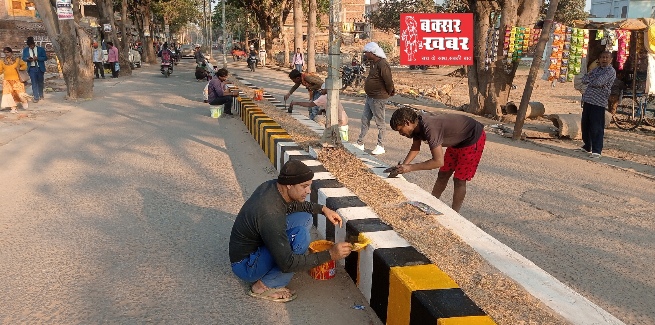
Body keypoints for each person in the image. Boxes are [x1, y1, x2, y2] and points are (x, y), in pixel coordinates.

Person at [229, 160, 353, 302]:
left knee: (305, 217)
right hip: (246, 265)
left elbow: (294, 205)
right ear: (289, 185)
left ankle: (283, 257)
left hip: (257, 243)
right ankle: (264, 286)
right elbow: (287, 264)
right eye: (304, 186)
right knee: (301, 237)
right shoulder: (270, 214)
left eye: (309, 186)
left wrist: (323, 209)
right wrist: (331, 254)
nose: (308, 191)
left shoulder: (272, 187)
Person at [389, 107, 486, 213]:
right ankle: (431, 203)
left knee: (459, 180)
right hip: (456, 142)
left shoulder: (430, 128)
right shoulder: (416, 126)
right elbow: (415, 148)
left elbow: (438, 162)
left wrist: (410, 168)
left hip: (472, 139)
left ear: (407, 122)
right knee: (443, 175)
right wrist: (403, 166)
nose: (400, 134)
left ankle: (455, 213)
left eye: (400, 130)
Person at [353, 42, 395, 156]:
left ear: (372, 53)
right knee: (365, 119)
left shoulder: (382, 64)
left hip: (378, 98)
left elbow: (388, 81)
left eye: (366, 52)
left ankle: (381, 146)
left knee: (380, 123)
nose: (365, 54)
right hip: (370, 96)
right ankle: (360, 143)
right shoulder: (373, 63)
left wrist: (390, 91)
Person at [578, 51, 616, 159]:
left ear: (611, 59)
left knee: (596, 127)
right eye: (602, 57)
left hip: (599, 102)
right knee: (585, 125)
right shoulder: (596, 69)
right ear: (599, 59)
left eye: (606, 57)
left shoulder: (610, 71)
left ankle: (597, 150)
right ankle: (587, 146)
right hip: (588, 100)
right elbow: (584, 78)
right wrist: (592, 80)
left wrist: (591, 80)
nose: (604, 59)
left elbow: (599, 82)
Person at [1, 47, 30, 113]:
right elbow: (0, 70)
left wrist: (19, 68)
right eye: (5, 53)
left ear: (11, 52)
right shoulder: (2, 61)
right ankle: (13, 108)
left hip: (17, 79)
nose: (6, 54)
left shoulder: (17, 60)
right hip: (7, 80)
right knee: (9, 94)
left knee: (20, 93)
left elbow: (24, 66)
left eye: (8, 52)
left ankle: (24, 102)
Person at [21, 36, 47, 102]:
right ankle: (36, 97)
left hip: (39, 68)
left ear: (34, 44)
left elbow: (45, 58)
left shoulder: (40, 49)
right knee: (34, 82)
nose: (31, 47)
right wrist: (28, 59)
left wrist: (38, 58)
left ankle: (41, 95)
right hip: (31, 68)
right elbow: (23, 58)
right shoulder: (26, 50)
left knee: (40, 82)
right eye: (29, 46)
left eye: (32, 45)